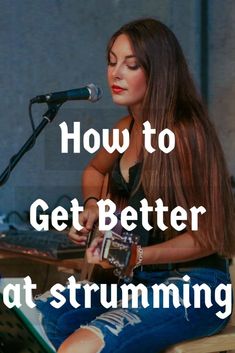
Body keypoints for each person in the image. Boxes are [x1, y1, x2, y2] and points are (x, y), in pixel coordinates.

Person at [35, 18, 235, 353]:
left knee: (80, 346)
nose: (115, 74)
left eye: (131, 65)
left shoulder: (187, 135)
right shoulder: (125, 129)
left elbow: (209, 236)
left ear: (158, 71)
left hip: (197, 284)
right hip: (142, 279)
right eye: (112, 62)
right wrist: (92, 206)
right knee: (46, 316)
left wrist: (138, 256)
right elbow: (94, 172)